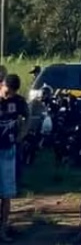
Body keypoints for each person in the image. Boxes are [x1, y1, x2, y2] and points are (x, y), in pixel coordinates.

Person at [0, 75, 27, 242]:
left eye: (12, 93)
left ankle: (3, 228)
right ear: (1, 85)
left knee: (6, 193)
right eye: (7, 92)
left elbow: (27, 117)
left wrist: (22, 135)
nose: (9, 96)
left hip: (8, 150)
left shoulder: (18, 101)